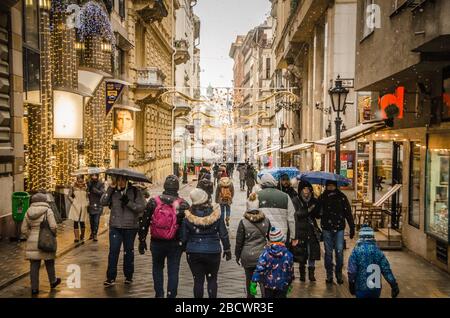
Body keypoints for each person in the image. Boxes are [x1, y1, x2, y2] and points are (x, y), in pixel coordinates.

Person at [138, 175, 190, 298]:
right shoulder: (183, 204)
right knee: (173, 271)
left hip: (157, 241)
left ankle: (159, 294)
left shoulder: (153, 202)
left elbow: (144, 222)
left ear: (165, 186)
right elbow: (188, 227)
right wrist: (185, 243)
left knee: (157, 268)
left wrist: (142, 239)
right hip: (175, 243)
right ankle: (171, 295)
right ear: (177, 188)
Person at [181, 188, 232, 298]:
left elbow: (183, 237)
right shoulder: (216, 214)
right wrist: (227, 249)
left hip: (194, 252)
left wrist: (185, 248)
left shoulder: (188, 216)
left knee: (198, 281)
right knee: (212, 280)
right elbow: (223, 233)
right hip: (213, 251)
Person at [101, 175, 146, 287]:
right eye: (118, 180)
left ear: (126, 180)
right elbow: (103, 202)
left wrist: (128, 203)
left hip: (130, 227)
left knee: (128, 252)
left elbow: (141, 207)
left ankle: (128, 276)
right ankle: (110, 278)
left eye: (122, 180)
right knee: (113, 252)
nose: (120, 182)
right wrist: (110, 188)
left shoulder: (135, 191)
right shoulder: (113, 191)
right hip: (115, 227)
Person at [21, 192, 62, 296]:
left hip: (32, 241)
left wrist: (30, 236)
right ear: (44, 201)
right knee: (49, 262)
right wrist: (53, 235)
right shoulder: (48, 211)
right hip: (46, 240)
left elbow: (23, 229)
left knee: (34, 266)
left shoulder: (28, 212)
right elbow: (53, 226)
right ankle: (53, 281)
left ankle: (34, 288)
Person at [318, 180, 355, 284]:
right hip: (326, 228)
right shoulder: (322, 197)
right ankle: (329, 274)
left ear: (335, 186)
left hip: (339, 228)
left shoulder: (342, 197)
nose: (330, 187)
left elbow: (348, 213)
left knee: (339, 252)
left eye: (332, 185)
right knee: (328, 253)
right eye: (328, 185)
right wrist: (319, 207)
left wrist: (352, 227)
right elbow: (317, 214)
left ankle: (338, 273)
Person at [348, 225, 400, 298]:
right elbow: (386, 269)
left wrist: (351, 283)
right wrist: (393, 285)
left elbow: (352, 270)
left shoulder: (356, 251)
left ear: (360, 237)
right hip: (375, 289)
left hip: (361, 288)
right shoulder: (378, 252)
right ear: (372, 237)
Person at [235, 193, 270, 298]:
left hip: (248, 256)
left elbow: (239, 242)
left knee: (249, 280)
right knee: (263, 281)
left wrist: (237, 255)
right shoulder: (266, 221)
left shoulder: (243, 222)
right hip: (263, 256)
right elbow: (270, 237)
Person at [249, 227, 295, 298]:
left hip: (268, 285)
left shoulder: (265, 254)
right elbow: (290, 271)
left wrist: (254, 281)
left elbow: (259, 269)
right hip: (282, 285)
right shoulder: (288, 255)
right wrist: (290, 282)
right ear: (282, 239)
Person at [291, 181, 321, 282]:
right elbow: (296, 214)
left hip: (311, 229)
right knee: (302, 252)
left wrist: (318, 207)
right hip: (300, 229)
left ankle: (311, 273)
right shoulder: (296, 200)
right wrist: (308, 210)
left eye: (308, 189)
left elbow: (317, 215)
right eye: (304, 189)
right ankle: (302, 274)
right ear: (300, 190)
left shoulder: (314, 201)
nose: (306, 191)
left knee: (311, 251)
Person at [256, 174, 296, 245]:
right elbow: (291, 218)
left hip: (263, 234)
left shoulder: (256, 196)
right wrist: (293, 236)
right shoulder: (285, 196)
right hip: (281, 234)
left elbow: (252, 216)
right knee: (280, 254)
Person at [68, 175, 89, 243]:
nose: (80, 182)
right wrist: (73, 201)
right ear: (77, 180)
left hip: (83, 206)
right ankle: (76, 237)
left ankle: (82, 235)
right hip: (75, 206)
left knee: (82, 221)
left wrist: (87, 203)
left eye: (81, 180)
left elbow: (88, 196)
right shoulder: (73, 186)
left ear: (83, 180)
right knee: (76, 221)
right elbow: (69, 196)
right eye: (79, 180)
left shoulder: (86, 187)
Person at [86, 173, 105, 242]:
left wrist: (95, 190)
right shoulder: (89, 183)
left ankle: (95, 234)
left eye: (95, 175)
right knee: (91, 221)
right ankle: (92, 233)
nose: (94, 177)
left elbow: (102, 192)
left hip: (98, 204)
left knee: (96, 221)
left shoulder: (100, 183)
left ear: (97, 176)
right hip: (90, 204)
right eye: (92, 175)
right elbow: (86, 192)